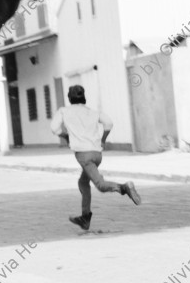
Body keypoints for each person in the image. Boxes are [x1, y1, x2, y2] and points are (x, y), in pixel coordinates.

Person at [50, 85, 141, 230]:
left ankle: (124, 188)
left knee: (100, 185)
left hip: (83, 154)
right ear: (83, 97)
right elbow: (109, 123)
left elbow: (54, 128)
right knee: (83, 183)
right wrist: (103, 139)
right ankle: (85, 218)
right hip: (97, 154)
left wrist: (65, 136)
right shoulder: (92, 112)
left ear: (69, 98)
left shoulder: (64, 111)